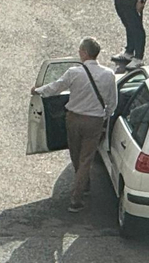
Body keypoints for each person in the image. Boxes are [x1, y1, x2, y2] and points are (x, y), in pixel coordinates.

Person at [33, 37, 115, 212]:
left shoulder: (74, 72)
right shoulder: (108, 74)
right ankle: (82, 186)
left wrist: (38, 91)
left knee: (76, 156)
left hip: (74, 119)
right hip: (94, 122)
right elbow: (112, 103)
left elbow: (56, 88)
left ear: (85, 53)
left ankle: (77, 197)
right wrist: (103, 117)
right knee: (86, 159)